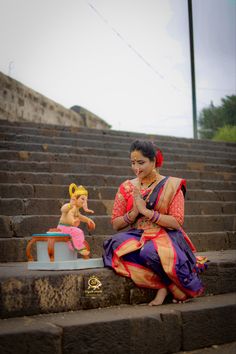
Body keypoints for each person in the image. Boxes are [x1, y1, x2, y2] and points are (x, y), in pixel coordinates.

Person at [103, 140, 207, 305]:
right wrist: (134, 213)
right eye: (133, 163)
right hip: (140, 234)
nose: (136, 167)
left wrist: (146, 212)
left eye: (141, 162)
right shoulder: (126, 187)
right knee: (113, 244)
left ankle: (168, 287)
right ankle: (169, 285)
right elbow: (116, 224)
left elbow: (176, 222)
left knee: (148, 253)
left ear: (154, 161)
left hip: (166, 234)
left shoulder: (171, 186)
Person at [57, 183, 95, 258]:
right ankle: (79, 248)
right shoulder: (70, 206)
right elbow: (63, 209)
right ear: (75, 198)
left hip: (69, 229)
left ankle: (75, 246)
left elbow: (80, 217)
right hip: (63, 228)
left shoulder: (76, 210)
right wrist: (70, 205)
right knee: (78, 232)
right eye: (82, 199)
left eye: (85, 200)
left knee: (77, 232)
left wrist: (88, 220)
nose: (84, 202)